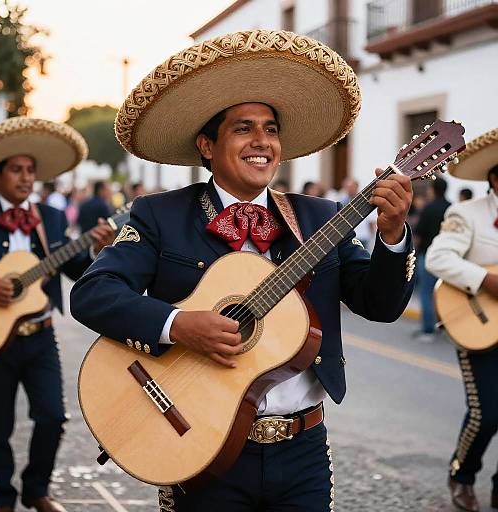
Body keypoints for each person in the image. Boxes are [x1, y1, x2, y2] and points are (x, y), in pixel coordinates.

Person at [70, 29, 416, 511]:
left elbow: (380, 306)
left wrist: (393, 234)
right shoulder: (159, 215)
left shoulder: (320, 219)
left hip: (303, 448)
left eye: (271, 129)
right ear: (207, 145)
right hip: (199, 442)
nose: (262, 142)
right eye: (244, 128)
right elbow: (93, 293)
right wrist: (178, 326)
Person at [0, 117, 116, 512]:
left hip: (41, 335)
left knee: (53, 416)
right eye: (16, 170)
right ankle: (3, 497)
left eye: (31, 171)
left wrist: (96, 249)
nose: (26, 179)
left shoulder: (53, 218)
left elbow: (75, 268)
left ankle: (36, 488)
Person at [426, 128, 498, 512]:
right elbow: (437, 259)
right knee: (487, 414)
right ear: (495, 179)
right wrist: (485, 279)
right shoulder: (466, 213)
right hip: (478, 325)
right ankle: (462, 474)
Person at [412, 177, 450, 342]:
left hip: (427, 255)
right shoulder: (451, 208)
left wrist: (414, 251)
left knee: (426, 292)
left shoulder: (428, 208)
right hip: (448, 256)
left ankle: (428, 330)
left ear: (432, 189)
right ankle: (442, 325)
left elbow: (419, 233)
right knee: (443, 293)